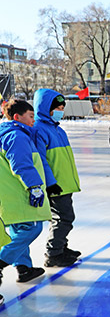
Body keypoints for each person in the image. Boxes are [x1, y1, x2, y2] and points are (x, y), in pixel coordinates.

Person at [0, 99, 50, 283]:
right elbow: (21, 165)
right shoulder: (16, 136)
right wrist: (34, 187)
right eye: (30, 116)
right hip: (18, 192)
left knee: (19, 229)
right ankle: (1, 260)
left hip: (8, 194)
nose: (32, 121)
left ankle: (24, 268)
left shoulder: (11, 134)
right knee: (32, 228)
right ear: (16, 117)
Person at [33, 89, 82, 267]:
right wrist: (50, 183)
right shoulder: (39, 130)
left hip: (64, 183)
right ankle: (53, 253)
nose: (61, 110)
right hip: (56, 184)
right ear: (46, 108)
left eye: (62, 107)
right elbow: (41, 160)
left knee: (63, 217)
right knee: (64, 218)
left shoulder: (57, 129)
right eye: (57, 107)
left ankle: (61, 247)